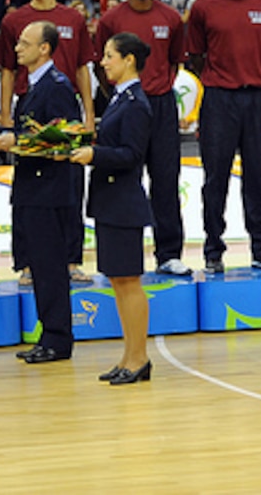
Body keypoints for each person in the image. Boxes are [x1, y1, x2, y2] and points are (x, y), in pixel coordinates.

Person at [0, 0, 96, 282]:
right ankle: (26, 263)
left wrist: (90, 114)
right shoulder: (16, 20)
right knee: (28, 187)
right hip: (30, 104)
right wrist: (4, 118)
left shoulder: (73, 17)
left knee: (71, 185)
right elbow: (8, 71)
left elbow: (83, 68)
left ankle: (71, 259)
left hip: (65, 105)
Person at [187, 0, 261, 273]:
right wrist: (221, 78)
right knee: (216, 179)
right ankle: (213, 250)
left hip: (256, 100)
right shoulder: (203, 7)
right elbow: (196, 55)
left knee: (257, 178)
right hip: (219, 100)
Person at [70, 33, 155, 385]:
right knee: (119, 282)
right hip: (110, 201)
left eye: (109, 56)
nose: (103, 62)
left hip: (124, 203)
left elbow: (132, 155)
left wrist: (95, 154)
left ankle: (139, 359)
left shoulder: (136, 103)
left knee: (129, 281)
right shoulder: (121, 99)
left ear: (129, 60)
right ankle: (128, 356)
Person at [96, 0, 189, 275]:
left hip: (161, 104)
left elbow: (175, 61)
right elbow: (102, 65)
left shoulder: (171, 17)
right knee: (124, 179)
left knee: (165, 179)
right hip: (126, 104)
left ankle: (169, 253)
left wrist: (159, 89)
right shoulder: (111, 19)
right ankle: (125, 257)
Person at [0, 21, 77, 363]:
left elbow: (63, 138)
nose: (16, 48)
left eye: (24, 43)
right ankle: (48, 334)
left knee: (51, 267)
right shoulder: (33, 86)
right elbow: (33, 132)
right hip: (31, 187)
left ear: (44, 48)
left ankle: (58, 338)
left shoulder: (56, 86)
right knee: (39, 266)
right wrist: (0, 132)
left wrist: (17, 140)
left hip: (49, 191)